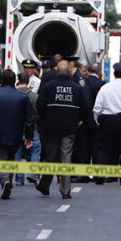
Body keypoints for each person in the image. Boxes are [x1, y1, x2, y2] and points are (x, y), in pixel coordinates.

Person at [35, 60, 86, 198]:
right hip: (70, 127)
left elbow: (40, 106)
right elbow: (85, 106)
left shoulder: (49, 86)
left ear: (56, 71)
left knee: (50, 156)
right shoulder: (76, 88)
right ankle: (65, 190)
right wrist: (78, 119)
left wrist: (46, 118)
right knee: (66, 157)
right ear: (69, 71)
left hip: (51, 127)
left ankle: (44, 185)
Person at [0, 69, 35, 199]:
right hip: (16, 134)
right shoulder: (22, 96)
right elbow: (29, 118)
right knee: (11, 158)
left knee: (1, 158)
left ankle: (5, 181)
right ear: (15, 80)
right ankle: (8, 180)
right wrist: (29, 136)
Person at [73, 63, 105, 180]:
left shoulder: (83, 82)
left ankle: (83, 175)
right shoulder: (102, 84)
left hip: (84, 120)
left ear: (87, 71)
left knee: (83, 148)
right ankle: (97, 175)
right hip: (97, 121)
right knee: (97, 148)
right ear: (100, 72)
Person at [14, 72, 41, 186]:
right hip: (33, 127)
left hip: (17, 128)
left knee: (17, 152)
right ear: (28, 82)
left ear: (18, 80)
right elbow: (39, 112)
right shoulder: (34, 96)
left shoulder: (14, 94)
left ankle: (19, 178)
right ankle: (33, 174)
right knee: (35, 150)